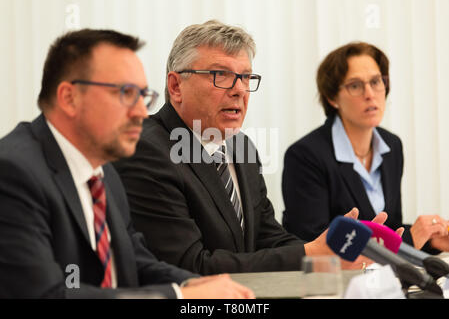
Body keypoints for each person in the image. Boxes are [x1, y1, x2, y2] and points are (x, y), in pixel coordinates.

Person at [113, 20, 384, 275]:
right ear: (176, 86)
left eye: (245, 77)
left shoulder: (241, 146)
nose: (239, 90)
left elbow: (267, 238)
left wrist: (330, 251)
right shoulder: (146, 150)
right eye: (221, 75)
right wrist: (310, 254)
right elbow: (189, 265)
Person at [0, 29, 255, 299]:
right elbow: (43, 294)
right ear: (69, 98)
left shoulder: (103, 172)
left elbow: (134, 261)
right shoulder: (14, 172)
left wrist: (193, 285)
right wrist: (180, 297)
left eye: (143, 96)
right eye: (125, 93)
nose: (140, 112)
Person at [282, 41, 449, 253]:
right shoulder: (305, 155)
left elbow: (388, 228)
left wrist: (431, 241)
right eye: (355, 85)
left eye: (376, 81)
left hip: (378, 281)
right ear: (332, 98)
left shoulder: (391, 146)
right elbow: (315, 245)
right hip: (330, 282)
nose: (370, 94)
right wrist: (409, 239)